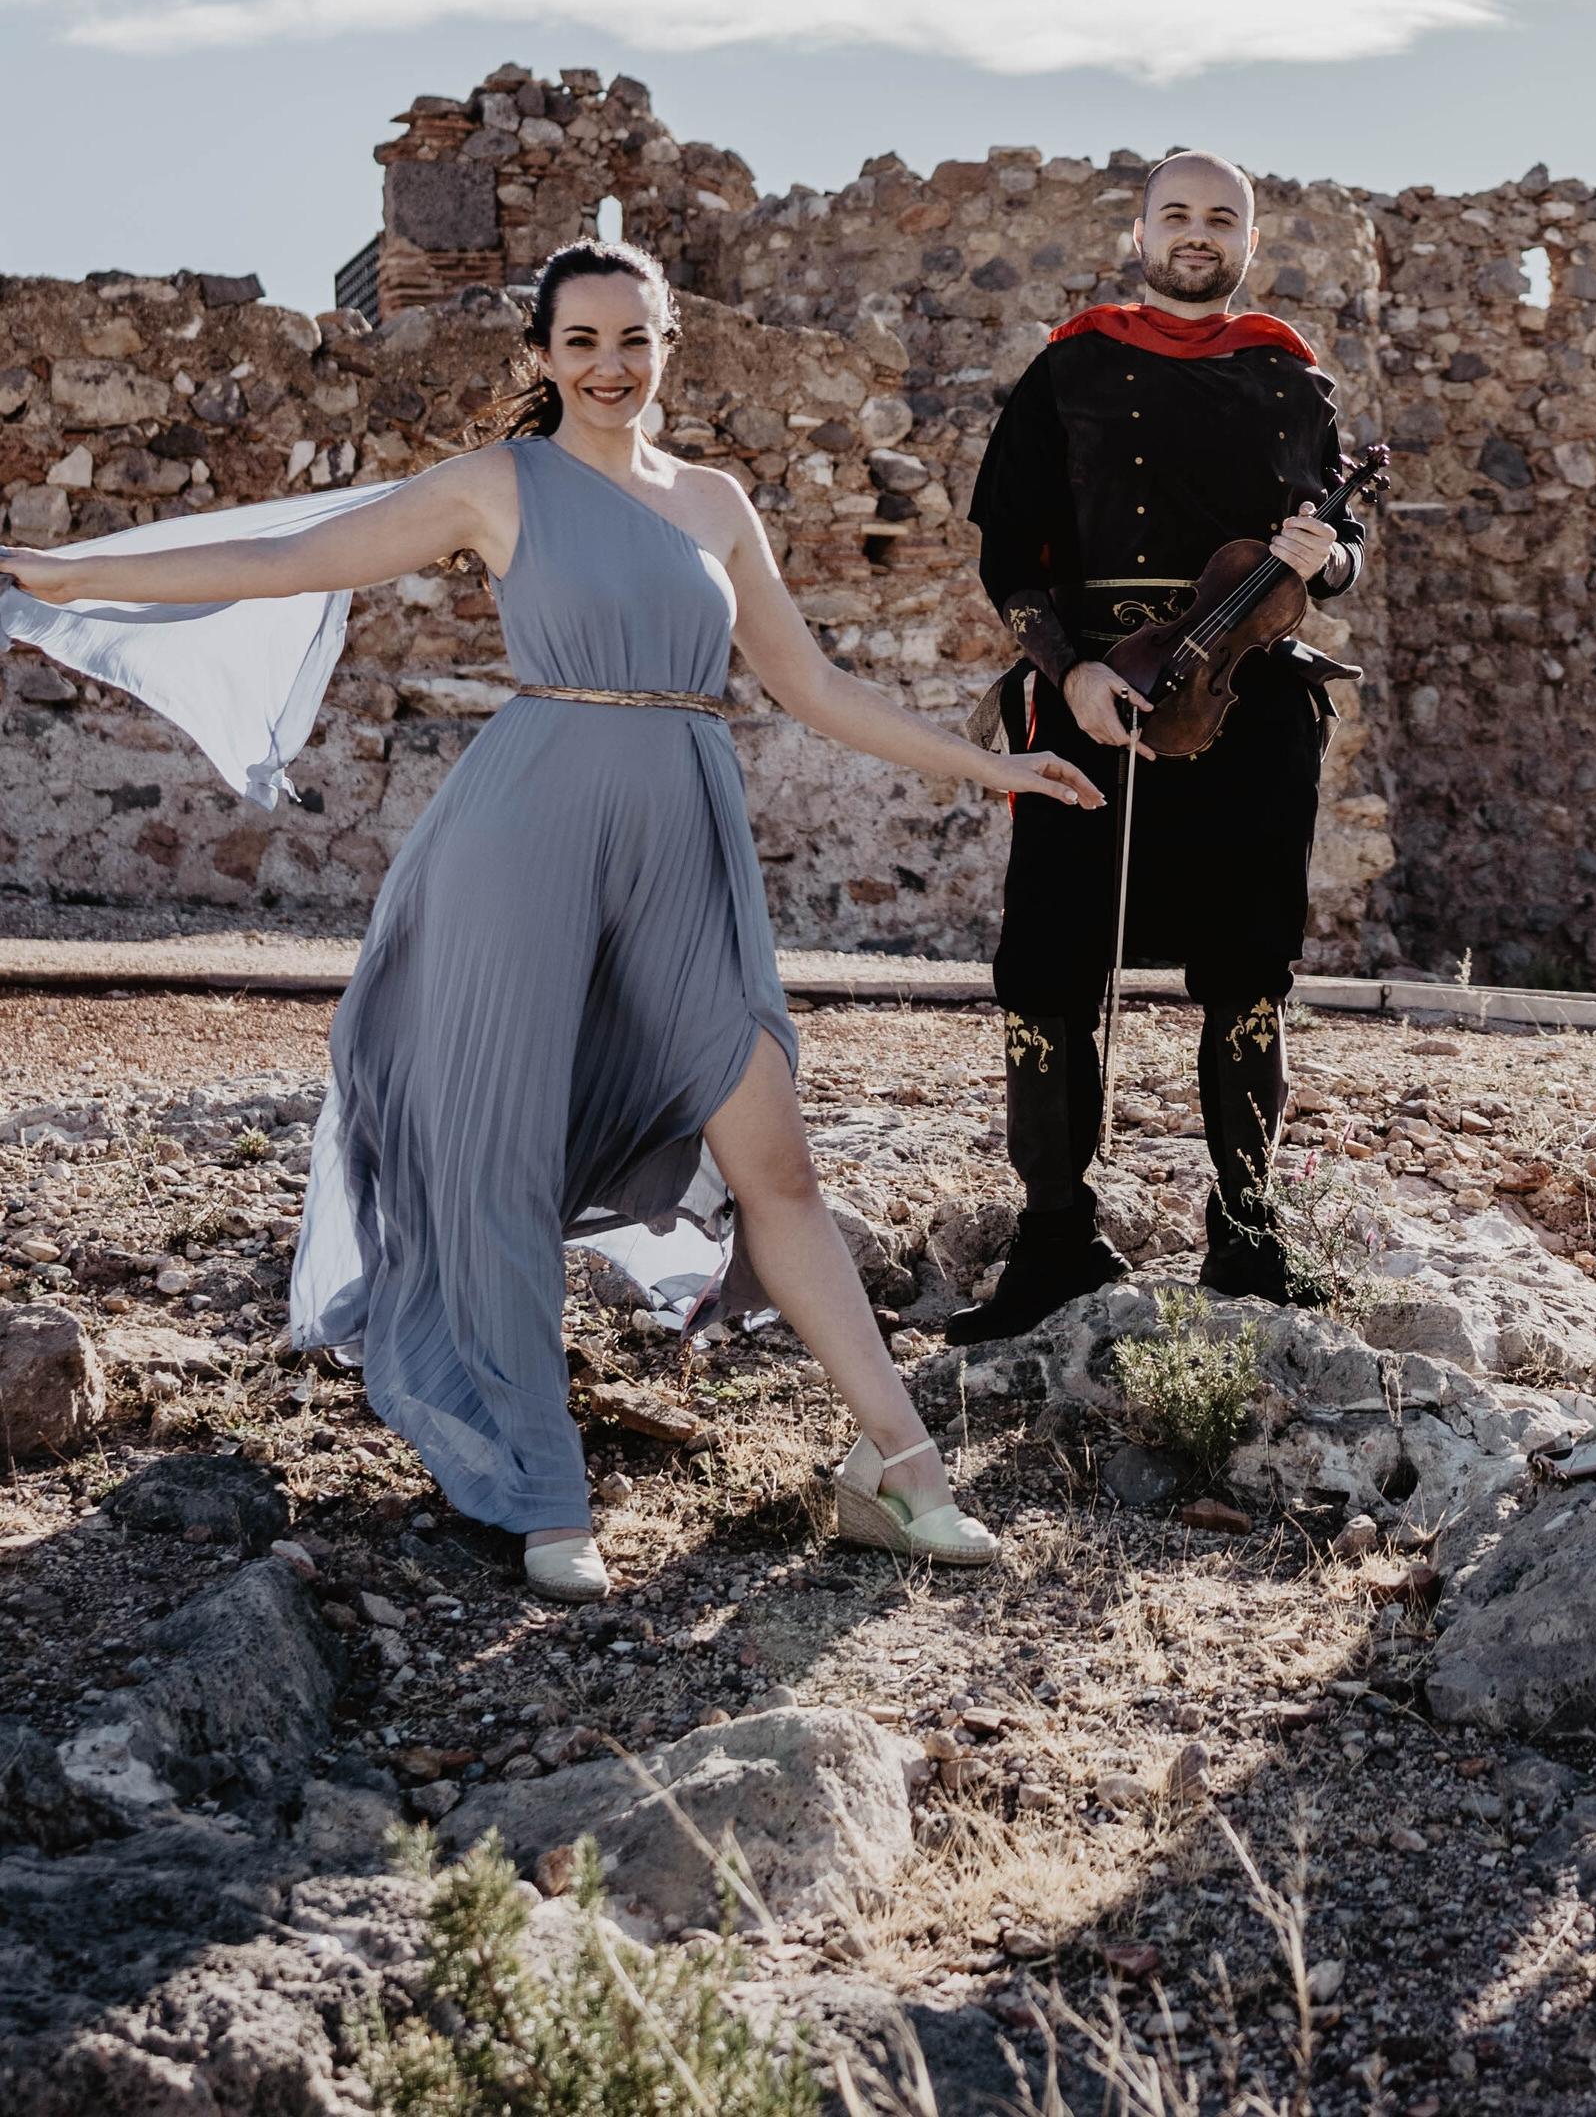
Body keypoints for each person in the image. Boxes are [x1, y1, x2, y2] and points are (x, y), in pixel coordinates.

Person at [0, 239, 1098, 1602]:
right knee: (499, 1153)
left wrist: (988, 764)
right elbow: (293, 558)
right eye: (580, 341)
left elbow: (810, 684)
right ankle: (540, 1488)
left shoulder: (715, 504)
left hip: (685, 835)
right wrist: (63, 576)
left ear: (670, 342)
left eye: (633, 338)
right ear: (541, 355)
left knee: (777, 1156)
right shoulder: (496, 485)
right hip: (523, 831)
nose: (608, 366)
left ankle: (904, 1474)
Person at [952, 149, 1366, 1338]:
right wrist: (1070, 670)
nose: (1198, 234)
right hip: (1091, 703)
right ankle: (1052, 1244)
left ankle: (1247, 1235)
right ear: (1137, 233)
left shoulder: (1294, 382)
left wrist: (1323, 560)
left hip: (1250, 710)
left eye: (1220, 218)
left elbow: (1338, 549)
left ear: (1249, 238)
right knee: (1045, 970)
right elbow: (1008, 557)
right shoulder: (1068, 370)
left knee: (1248, 971)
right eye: (1176, 215)